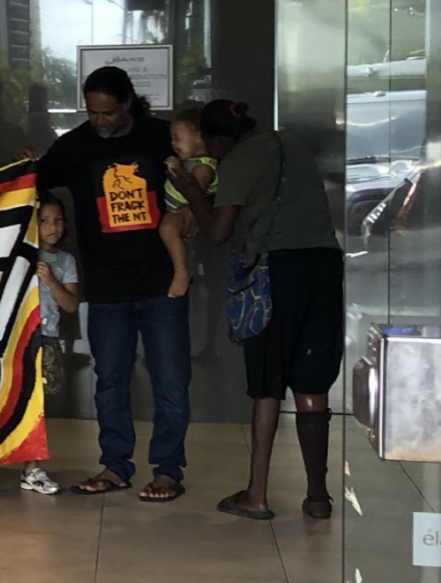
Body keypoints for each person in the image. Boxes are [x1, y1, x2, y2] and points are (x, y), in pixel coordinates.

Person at [175, 100, 342, 522]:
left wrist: (193, 192)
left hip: (276, 272)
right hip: (323, 265)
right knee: (311, 379)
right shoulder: (292, 144)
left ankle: (257, 495)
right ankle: (318, 496)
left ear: (217, 139)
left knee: (266, 383)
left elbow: (216, 232)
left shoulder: (237, 161)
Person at [37, 66, 187, 503]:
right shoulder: (76, 145)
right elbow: (32, 181)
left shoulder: (160, 138)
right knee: (110, 382)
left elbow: (201, 173)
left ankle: (168, 471)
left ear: (127, 104)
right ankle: (115, 466)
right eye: (92, 112)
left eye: (107, 113)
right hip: (105, 288)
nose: (99, 121)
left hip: (162, 284)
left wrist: (193, 213)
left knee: (171, 381)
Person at [0, 197, 73, 496]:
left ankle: (31, 468)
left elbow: (71, 304)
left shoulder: (66, 261)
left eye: (58, 220)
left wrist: (50, 281)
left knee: (37, 405)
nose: (52, 227)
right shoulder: (15, 253)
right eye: (44, 220)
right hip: (8, 338)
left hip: (45, 338)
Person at [158, 107, 217, 299]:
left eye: (177, 137)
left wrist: (177, 171)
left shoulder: (204, 165)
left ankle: (182, 274)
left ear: (198, 136)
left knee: (167, 229)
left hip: (183, 212)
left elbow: (195, 190)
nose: (172, 143)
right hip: (176, 210)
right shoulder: (193, 161)